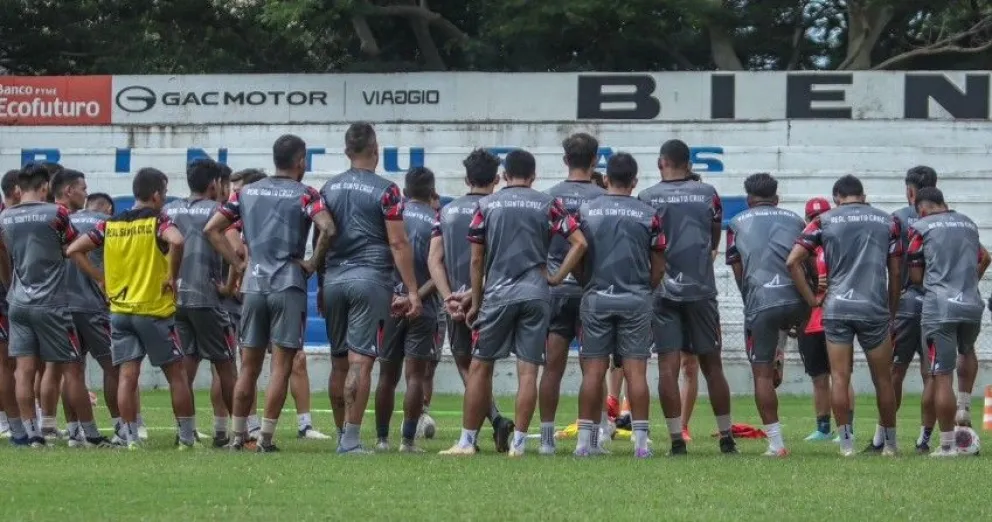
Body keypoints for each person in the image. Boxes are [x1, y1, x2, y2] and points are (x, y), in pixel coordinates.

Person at [441, 149, 587, 457]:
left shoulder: (486, 205)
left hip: (497, 294)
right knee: (528, 371)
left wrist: (477, 302)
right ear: (533, 176)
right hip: (536, 293)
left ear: (505, 176)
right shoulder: (548, 204)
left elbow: (477, 259)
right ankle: (519, 444)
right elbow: (580, 242)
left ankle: (467, 441)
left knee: (481, 366)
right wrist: (558, 276)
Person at [205, 135, 336, 452]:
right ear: (301, 161)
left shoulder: (246, 192)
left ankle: (239, 436)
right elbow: (328, 228)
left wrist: (237, 260)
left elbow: (212, 228)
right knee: (281, 366)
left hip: (254, 283)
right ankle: (265, 437)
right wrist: (313, 263)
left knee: (247, 365)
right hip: (288, 283)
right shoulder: (306, 194)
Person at [66, 168, 194, 449]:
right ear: (157, 194)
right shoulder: (157, 222)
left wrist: (100, 278)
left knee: (127, 375)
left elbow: (73, 249)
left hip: (120, 311)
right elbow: (178, 240)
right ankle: (186, 437)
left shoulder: (110, 225)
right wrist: (172, 275)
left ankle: (131, 438)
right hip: (153, 310)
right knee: (176, 374)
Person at [317, 123, 419, 454]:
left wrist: (320, 284)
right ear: (376, 150)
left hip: (333, 278)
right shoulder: (387, 190)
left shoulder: (328, 189)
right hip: (370, 279)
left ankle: (340, 433)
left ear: (347, 152)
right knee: (361, 362)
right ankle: (350, 440)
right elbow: (399, 242)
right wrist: (413, 291)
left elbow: (322, 237)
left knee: (338, 363)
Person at [787, 174, 901, 457]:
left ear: (837, 197)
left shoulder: (825, 221)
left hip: (837, 307)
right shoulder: (888, 221)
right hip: (873, 306)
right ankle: (890, 444)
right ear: (863, 195)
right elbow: (897, 271)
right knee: (883, 379)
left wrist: (812, 299)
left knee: (839, 377)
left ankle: (846, 445)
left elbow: (792, 261)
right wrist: (892, 308)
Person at [0, 163, 113, 448]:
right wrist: (100, 278)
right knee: (71, 369)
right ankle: (90, 434)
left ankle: (32, 433)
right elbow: (74, 248)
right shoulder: (57, 213)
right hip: (51, 302)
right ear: (44, 187)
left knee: (23, 369)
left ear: (18, 189)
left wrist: (10, 284)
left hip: (18, 301)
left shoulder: (6, 217)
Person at [638, 140, 735, 456]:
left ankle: (677, 440)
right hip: (701, 288)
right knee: (712, 365)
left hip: (663, 289)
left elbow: (645, 243)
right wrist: (707, 252)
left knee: (667, 365)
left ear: (661, 162)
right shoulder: (708, 194)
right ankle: (726, 438)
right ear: (688, 162)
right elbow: (715, 230)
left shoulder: (648, 198)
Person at [573, 152, 665, 458]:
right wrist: (643, 288)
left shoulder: (586, 210)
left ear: (606, 180)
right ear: (635, 182)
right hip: (635, 298)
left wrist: (587, 282)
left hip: (597, 296)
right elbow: (659, 263)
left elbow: (575, 253)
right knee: (637, 373)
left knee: (593, 373)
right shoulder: (649, 214)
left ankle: (584, 443)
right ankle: (640, 445)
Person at [427, 149, 514, 452]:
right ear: (496, 179)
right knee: (482, 366)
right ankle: (494, 422)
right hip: (489, 298)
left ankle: (477, 433)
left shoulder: (446, 212)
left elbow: (434, 260)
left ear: (466, 178)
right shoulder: (497, 209)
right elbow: (502, 259)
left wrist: (448, 296)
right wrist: (473, 295)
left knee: (469, 367)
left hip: (457, 303)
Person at [725, 173, 808, 457]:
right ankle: (844, 438)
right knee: (833, 372)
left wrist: (748, 296)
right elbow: (806, 260)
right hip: (797, 299)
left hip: (762, 301)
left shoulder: (736, 223)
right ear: (777, 198)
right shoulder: (797, 219)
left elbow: (736, 267)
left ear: (749, 200)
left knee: (760, 376)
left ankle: (776, 444)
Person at [906, 187, 989, 457]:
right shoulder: (967, 223)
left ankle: (946, 445)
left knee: (941, 375)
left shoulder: (920, 227)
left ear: (921, 207)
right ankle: (964, 405)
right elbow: (985, 257)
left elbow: (916, 275)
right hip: (970, 303)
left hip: (940, 307)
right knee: (968, 350)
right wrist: (968, 283)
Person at [538, 133, 607, 455]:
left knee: (552, 367)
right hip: (592, 291)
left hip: (556, 289)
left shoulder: (548, 198)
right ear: (595, 160)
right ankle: (589, 441)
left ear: (566, 160)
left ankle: (548, 440)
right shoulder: (604, 199)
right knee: (594, 368)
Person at [164, 159, 238, 448]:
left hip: (177, 298)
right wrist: (230, 286)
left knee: (184, 368)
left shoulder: (168, 210)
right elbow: (237, 252)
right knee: (226, 366)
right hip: (207, 297)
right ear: (214, 185)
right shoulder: (219, 212)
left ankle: (186, 433)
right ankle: (239, 433)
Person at [50, 169, 123, 446]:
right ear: (71, 190)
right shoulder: (106, 222)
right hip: (93, 305)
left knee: (72, 371)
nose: (85, 191)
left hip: (62, 305)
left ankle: (78, 434)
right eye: (82, 187)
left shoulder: (58, 221)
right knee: (113, 367)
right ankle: (121, 427)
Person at [374, 167, 442, 453]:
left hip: (389, 304)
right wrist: (416, 297)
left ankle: (381, 439)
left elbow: (380, 259)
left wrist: (396, 296)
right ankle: (408, 441)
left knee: (386, 376)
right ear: (432, 193)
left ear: (404, 191)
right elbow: (440, 271)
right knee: (416, 375)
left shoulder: (391, 217)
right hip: (422, 307)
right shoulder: (439, 221)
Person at [875, 166, 938, 453]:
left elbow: (895, 267)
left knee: (894, 371)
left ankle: (883, 438)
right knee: (932, 374)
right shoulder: (949, 218)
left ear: (909, 191)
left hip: (907, 302)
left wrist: (892, 306)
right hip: (938, 302)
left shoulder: (897, 219)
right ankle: (924, 440)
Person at [796, 197, 856, 442]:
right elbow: (792, 272)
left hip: (836, 316)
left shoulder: (839, 244)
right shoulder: (802, 247)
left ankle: (847, 428)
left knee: (841, 375)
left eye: (820, 217)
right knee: (818, 376)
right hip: (810, 320)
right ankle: (822, 428)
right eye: (812, 218)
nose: (816, 222)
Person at [0, 169, 23, 442]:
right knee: (7, 363)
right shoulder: (6, 220)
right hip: (6, 296)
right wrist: (8, 285)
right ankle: (8, 420)